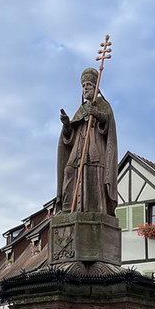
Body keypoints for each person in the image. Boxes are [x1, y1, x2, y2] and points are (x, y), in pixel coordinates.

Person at [57, 66, 119, 215]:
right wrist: (67, 125)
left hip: (95, 146)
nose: (85, 88)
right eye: (84, 86)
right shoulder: (81, 109)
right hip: (78, 148)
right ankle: (68, 210)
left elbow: (108, 125)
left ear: (95, 87)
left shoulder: (103, 104)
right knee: (69, 171)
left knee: (92, 173)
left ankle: (94, 210)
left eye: (89, 85)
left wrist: (97, 114)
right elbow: (69, 138)